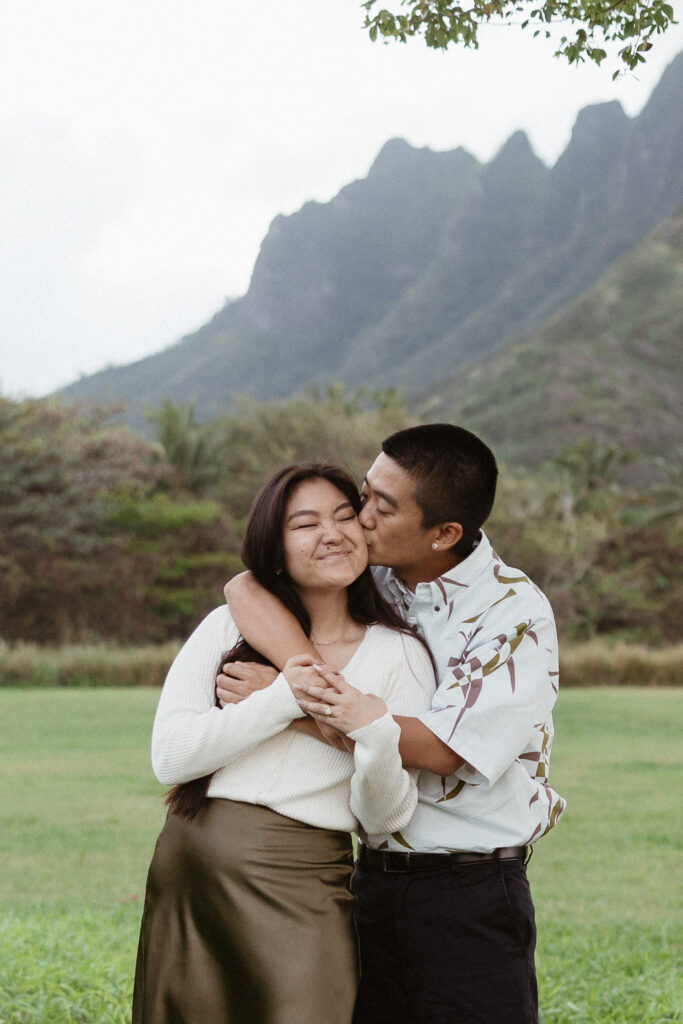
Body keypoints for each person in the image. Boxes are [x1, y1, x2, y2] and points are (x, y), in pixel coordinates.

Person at [220, 424, 566, 1024]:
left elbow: (442, 749)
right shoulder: (371, 576)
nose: (361, 518)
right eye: (365, 493)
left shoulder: (513, 614)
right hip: (367, 880)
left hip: (469, 890)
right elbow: (245, 586)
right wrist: (305, 676)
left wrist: (289, 704)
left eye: (383, 507)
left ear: (444, 534)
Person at [132, 463, 435, 1024]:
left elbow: (384, 818)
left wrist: (373, 734)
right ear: (275, 550)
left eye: (344, 517)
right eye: (306, 524)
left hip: (306, 875)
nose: (332, 534)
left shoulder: (401, 654)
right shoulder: (227, 626)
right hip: (194, 865)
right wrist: (282, 698)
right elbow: (170, 757)